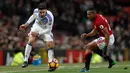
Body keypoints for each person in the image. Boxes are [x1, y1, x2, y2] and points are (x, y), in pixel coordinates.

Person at [19, 3, 56, 71]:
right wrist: (26, 24)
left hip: (46, 29)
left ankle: (51, 63)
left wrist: (38, 33)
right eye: (40, 12)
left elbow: (49, 29)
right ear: (38, 10)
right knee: (31, 40)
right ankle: (25, 60)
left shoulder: (50, 17)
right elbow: (33, 16)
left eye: (43, 12)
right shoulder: (35, 11)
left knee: (50, 45)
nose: (42, 14)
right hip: (37, 26)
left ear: (46, 10)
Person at [80, 8, 116, 72]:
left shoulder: (99, 21)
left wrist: (105, 47)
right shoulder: (97, 17)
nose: (87, 16)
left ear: (94, 14)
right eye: (87, 14)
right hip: (105, 37)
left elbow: (107, 34)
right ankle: (111, 61)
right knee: (93, 48)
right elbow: (96, 31)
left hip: (107, 38)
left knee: (88, 47)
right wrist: (87, 35)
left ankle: (86, 68)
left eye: (89, 14)